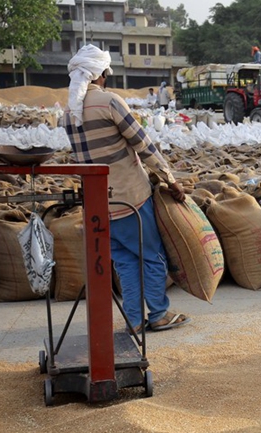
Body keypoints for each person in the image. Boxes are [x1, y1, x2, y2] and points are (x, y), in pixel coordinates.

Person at [63, 44, 192, 334]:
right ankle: (158, 313)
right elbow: (144, 145)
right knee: (152, 256)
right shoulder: (109, 102)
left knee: (124, 262)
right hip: (131, 200)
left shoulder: (68, 115)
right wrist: (170, 180)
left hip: (99, 207)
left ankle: (133, 321)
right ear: (102, 74)